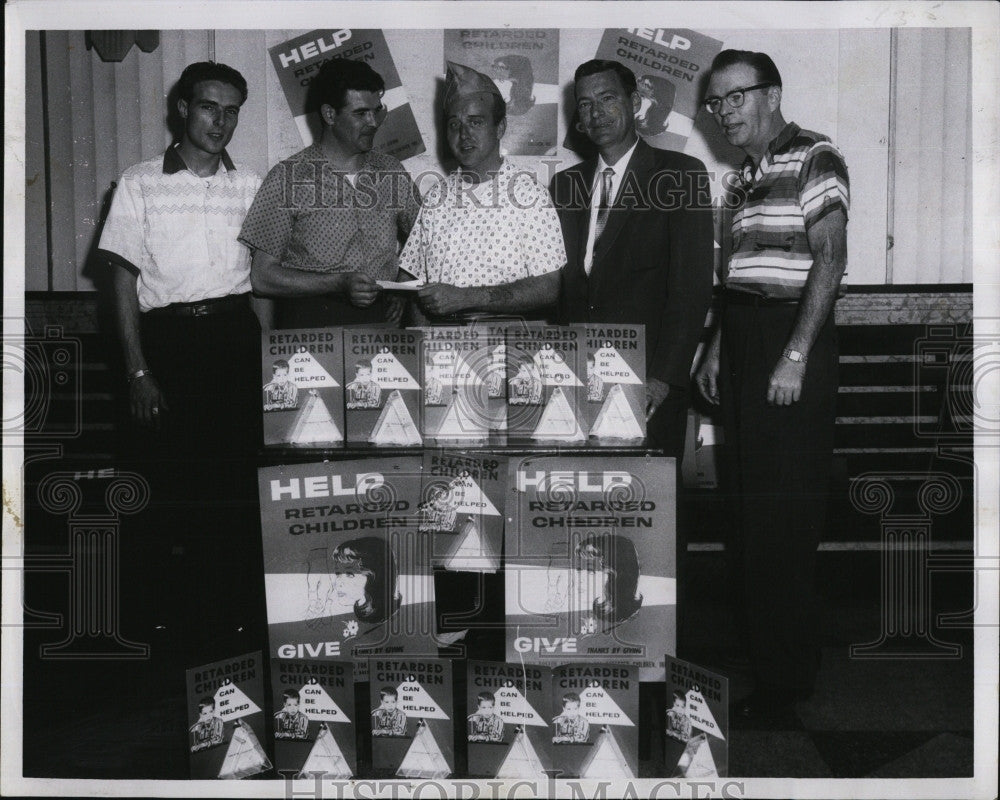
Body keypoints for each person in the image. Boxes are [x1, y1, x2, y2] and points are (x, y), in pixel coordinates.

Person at [693, 50, 849, 720]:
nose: (725, 112)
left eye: (736, 98)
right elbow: (744, 277)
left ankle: (784, 687)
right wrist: (719, 347)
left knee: (782, 520)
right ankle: (776, 655)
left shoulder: (817, 156)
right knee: (751, 514)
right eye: (717, 102)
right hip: (747, 336)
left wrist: (793, 354)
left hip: (792, 343)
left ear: (772, 93)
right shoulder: (744, 178)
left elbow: (831, 257)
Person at [98, 60, 265, 659]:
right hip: (166, 346)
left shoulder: (251, 185)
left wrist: (264, 362)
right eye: (208, 107)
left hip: (232, 341)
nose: (220, 121)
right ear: (182, 109)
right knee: (163, 490)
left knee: (232, 490)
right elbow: (120, 282)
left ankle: (230, 625)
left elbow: (261, 285)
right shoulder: (140, 182)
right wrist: (138, 371)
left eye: (231, 111)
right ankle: (159, 626)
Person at [551, 59, 714, 459]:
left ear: (635, 101)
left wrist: (662, 378)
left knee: (652, 506)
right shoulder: (565, 185)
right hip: (578, 378)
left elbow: (692, 288)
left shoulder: (681, 175)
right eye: (585, 104)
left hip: (649, 381)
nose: (596, 112)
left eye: (607, 98)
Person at [240, 58, 420, 328]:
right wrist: (338, 283)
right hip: (312, 323)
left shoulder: (391, 171)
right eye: (360, 113)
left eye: (377, 110)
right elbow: (263, 277)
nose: (373, 122)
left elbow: (425, 239)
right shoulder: (288, 177)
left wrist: (402, 289)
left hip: (381, 322)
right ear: (330, 114)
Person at [400, 61, 566, 322]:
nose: (464, 134)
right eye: (455, 124)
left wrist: (466, 298)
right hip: (440, 346)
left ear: (500, 128)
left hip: (505, 344)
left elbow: (548, 288)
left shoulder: (528, 195)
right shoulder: (436, 197)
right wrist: (419, 345)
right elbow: (414, 282)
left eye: (475, 122)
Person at [574, 533, 643, 627]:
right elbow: (623, 545)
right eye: (606, 600)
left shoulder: (624, 583)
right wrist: (590, 547)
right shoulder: (621, 581)